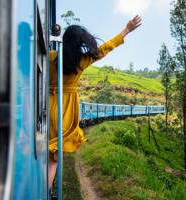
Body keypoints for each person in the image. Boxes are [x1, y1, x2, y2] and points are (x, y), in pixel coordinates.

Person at [48, 15, 142, 188]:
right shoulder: (82, 61)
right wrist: (126, 30)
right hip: (65, 108)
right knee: (53, 158)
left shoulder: (51, 57)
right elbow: (106, 48)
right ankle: (45, 192)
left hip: (47, 104)